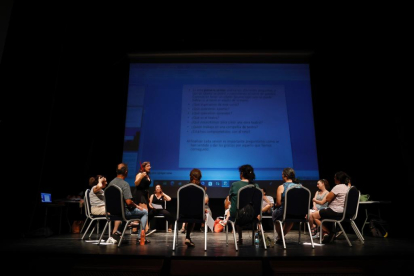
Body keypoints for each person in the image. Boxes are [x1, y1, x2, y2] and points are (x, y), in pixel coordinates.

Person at [106, 163, 150, 244]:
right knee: (144, 212)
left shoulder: (110, 183)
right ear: (126, 172)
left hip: (112, 212)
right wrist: (136, 206)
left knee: (129, 213)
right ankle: (140, 237)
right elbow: (129, 202)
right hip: (123, 212)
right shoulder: (124, 184)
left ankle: (118, 232)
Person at [310, 171, 351, 244]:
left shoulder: (337, 187)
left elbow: (328, 199)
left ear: (338, 179)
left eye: (335, 177)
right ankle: (328, 233)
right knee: (322, 214)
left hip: (335, 211)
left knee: (314, 216)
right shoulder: (347, 187)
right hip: (344, 212)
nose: (334, 179)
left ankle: (329, 233)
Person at [226, 164, 260, 244]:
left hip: (238, 216)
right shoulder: (256, 186)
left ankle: (240, 238)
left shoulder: (235, 185)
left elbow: (231, 199)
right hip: (253, 216)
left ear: (241, 174)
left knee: (239, 210)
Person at [272, 167, 302, 245]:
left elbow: (278, 203)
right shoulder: (300, 186)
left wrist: (275, 205)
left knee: (275, 214)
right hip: (299, 213)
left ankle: (280, 237)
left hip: (285, 211)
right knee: (290, 218)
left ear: (285, 175)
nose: (281, 176)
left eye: (282, 174)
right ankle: (280, 237)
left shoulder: (281, 187)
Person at [181, 168, 208, 247]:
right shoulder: (203, 188)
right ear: (200, 177)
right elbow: (199, 203)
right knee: (193, 213)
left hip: (183, 213)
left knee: (190, 212)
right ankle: (188, 237)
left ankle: (188, 237)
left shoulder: (183, 188)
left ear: (190, 176)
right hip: (197, 214)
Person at [133, 161, 151, 234]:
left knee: (141, 212)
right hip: (139, 194)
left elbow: (147, 188)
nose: (150, 167)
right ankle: (145, 229)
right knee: (145, 211)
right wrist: (141, 176)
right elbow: (136, 183)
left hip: (145, 194)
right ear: (143, 167)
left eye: (150, 166)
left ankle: (134, 229)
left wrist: (148, 198)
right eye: (148, 166)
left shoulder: (147, 175)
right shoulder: (140, 174)